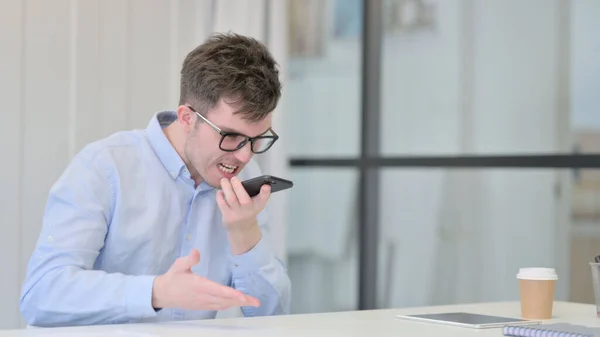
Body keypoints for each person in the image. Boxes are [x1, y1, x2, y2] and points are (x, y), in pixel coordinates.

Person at [19, 33, 291, 327]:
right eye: (231, 136)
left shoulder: (243, 179)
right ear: (187, 118)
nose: (245, 156)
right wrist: (156, 292)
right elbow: (41, 294)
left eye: (257, 139)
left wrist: (245, 234)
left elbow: (273, 317)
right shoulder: (104, 168)